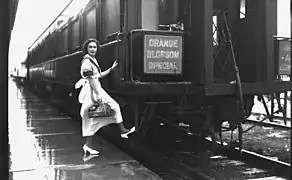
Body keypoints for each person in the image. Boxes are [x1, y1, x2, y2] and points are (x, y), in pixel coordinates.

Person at [75, 38, 135, 155]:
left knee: (105, 111)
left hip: (96, 88)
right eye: (90, 47)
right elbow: (91, 79)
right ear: (86, 49)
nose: (93, 49)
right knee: (93, 116)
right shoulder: (87, 61)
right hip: (92, 90)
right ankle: (89, 144)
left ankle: (121, 131)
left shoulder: (92, 60)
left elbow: (98, 75)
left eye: (95, 47)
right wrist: (97, 94)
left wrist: (111, 69)